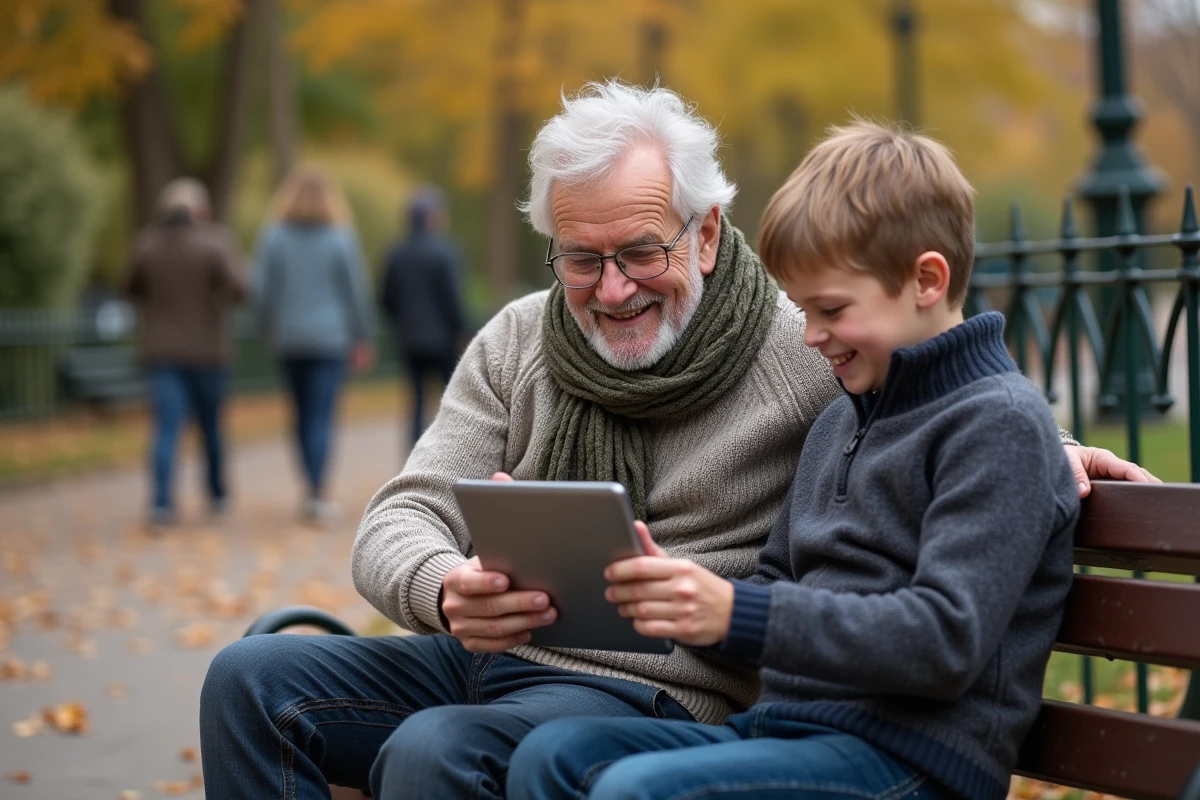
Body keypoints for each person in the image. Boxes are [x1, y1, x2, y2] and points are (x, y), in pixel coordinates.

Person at [199, 82, 1154, 800]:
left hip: (644, 689)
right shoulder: (520, 342)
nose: (611, 288)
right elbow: (403, 514)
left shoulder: (800, 345)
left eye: (639, 252)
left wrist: (1053, 448)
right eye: (582, 258)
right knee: (254, 679)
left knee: (441, 750)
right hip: (488, 657)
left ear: (704, 234)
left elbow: (932, 385)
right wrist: (443, 589)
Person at [505, 120, 1081, 800]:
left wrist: (737, 614)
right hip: (790, 733)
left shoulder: (997, 424)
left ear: (927, 279)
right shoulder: (841, 416)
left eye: (830, 309)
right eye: (803, 309)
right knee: (554, 753)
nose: (809, 336)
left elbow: (944, 640)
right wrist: (673, 596)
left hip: (911, 760)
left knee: (639, 790)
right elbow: (777, 587)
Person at [251, 168, 376, 524]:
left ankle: (309, 482)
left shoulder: (274, 237)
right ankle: (317, 491)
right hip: (331, 339)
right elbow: (356, 291)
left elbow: (261, 290)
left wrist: (267, 327)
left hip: (289, 338)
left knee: (300, 414)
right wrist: (362, 336)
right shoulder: (340, 238)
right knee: (322, 414)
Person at [123, 177, 246, 528]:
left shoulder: (146, 244)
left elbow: (129, 287)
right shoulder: (216, 243)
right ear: (201, 210)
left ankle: (161, 503)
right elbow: (240, 289)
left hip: (162, 353)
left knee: (166, 428)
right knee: (211, 428)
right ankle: (217, 494)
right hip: (209, 352)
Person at [380, 185, 468, 450]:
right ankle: (449, 451)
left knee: (416, 400)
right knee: (450, 399)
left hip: (409, 340)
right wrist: (462, 329)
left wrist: (403, 322)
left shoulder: (395, 253)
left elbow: (385, 299)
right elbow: (453, 298)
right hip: (443, 340)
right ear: (433, 217)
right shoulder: (445, 251)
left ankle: (414, 454)